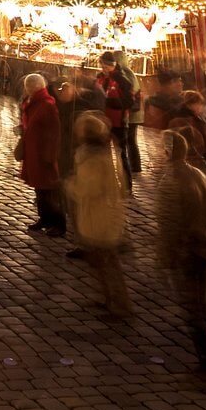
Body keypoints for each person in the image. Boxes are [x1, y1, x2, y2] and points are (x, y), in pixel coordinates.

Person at [155, 130, 206, 376]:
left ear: (168, 151)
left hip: (188, 251)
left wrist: (166, 255)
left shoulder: (171, 180)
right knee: (201, 306)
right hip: (204, 246)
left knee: (193, 309)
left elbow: (169, 223)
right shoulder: (197, 173)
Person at [66, 113, 131, 318]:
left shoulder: (92, 159)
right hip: (107, 214)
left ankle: (119, 305)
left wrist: (70, 184)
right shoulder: (108, 154)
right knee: (101, 261)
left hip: (98, 216)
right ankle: (109, 298)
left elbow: (88, 188)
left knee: (107, 262)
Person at [19, 73, 65, 237]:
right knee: (40, 190)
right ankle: (44, 218)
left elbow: (54, 133)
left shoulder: (46, 104)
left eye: (28, 86)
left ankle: (58, 223)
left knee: (49, 192)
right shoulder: (33, 102)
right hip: (34, 152)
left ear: (33, 87)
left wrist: (50, 156)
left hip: (43, 154)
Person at [96, 51, 136, 193]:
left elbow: (130, 101)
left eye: (105, 66)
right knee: (104, 153)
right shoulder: (99, 78)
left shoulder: (122, 80)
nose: (103, 69)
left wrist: (110, 102)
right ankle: (107, 183)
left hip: (118, 122)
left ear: (111, 65)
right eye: (102, 66)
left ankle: (126, 185)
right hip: (102, 121)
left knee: (120, 154)